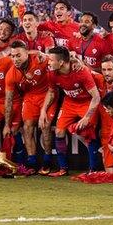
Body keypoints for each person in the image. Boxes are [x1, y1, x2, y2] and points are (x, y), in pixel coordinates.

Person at [40, 46, 101, 176]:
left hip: (87, 102)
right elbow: (51, 92)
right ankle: (63, 168)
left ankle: (93, 169)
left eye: (51, 60)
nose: (48, 62)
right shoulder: (52, 72)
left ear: (61, 62)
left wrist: (86, 117)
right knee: (59, 131)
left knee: (88, 132)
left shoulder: (82, 71)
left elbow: (96, 97)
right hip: (69, 102)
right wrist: (43, 111)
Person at [5, 40, 51, 172]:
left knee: (45, 125)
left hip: (48, 93)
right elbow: (8, 100)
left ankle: (47, 160)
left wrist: (75, 61)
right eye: (12, 56)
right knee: (27, 126)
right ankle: (32, 161)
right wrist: (7, 125)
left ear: (27, 53)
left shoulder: (41, 59)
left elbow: (59, 59)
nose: (15, 59)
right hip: (30, 97)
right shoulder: (11, 74)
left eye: (18, 55)